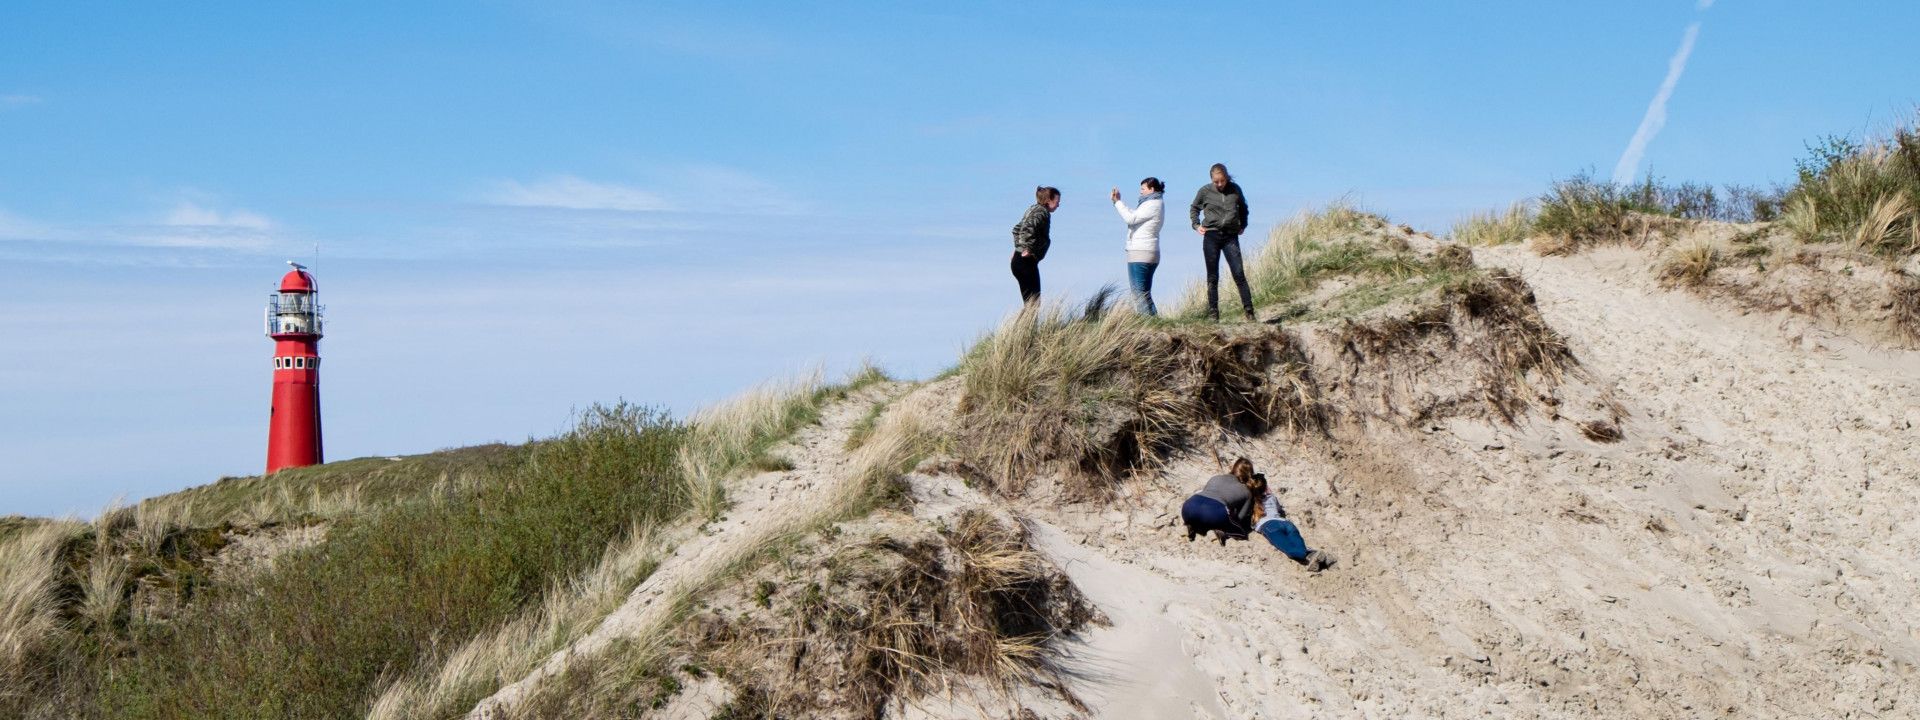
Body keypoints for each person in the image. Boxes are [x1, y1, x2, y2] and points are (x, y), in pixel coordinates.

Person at [1189, 163, 1254, 321]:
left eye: (1222, 181)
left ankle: (1249, 312)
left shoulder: (1235, 189)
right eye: (1216, 181)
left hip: (1230, 236)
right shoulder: (1205, 191)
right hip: (1211, 236)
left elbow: (1244, 208)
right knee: (1213, 276)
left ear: (1226, 178)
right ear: (1212, 179)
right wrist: (1196, 225)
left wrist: (1243, 224)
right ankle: (1213, 313)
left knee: (1238, 274)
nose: (1219, 184)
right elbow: (1194, 208)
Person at [1248, 473, 1337, 571]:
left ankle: (1314, 557)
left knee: (1292, 551)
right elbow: (1278, 509)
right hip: (1286, 523)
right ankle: (1322, 558)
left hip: (1269, 526)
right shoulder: (1272, 497)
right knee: (1299, 545)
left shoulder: (1251, 502)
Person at [1111, 177, 1165, 316]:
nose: (1140, 192)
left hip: (1141, 251)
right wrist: (1119, 202)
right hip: (1149, 251)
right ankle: (1154, 323)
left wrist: (1117, 202)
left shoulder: (1152, 204)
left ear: (1152, 189)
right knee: (1145, 293)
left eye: (1143, 189)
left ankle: (1147, 326)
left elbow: (1130, 218)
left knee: (1138, 293)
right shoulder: (1153, 203)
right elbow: (1135, 215)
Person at [1181, 457, 1260, 545]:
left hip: (1189, 506)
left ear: (1234, 468)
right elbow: (1240, 518)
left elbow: (1207, 499)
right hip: (1213, 512)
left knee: (1204, 515)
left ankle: (1192, 525)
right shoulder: (1246, 491)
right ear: (1249, 474)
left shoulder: (1216, 477)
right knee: (1241, 533)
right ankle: (1220, 533)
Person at [1011, 186, 1061, 304]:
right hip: (1026, 262)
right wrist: (1028, 248)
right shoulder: (1042, 212)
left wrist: (1018, 248)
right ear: (1048, 200)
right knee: (1034, 302)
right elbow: (1029, 227)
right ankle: (1027, 323)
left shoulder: (1033, 209)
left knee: (1030, 302)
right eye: (1057, 202)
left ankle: (1025, 322)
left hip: (1019, 261)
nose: (1059, 205)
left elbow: (1016, 229)